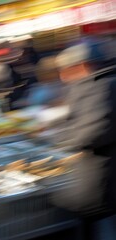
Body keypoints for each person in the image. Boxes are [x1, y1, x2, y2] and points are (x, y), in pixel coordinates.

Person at [51, 42, 116, 240]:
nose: (62, 76)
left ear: (82, 65)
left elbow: (95, 131)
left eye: (65, 70)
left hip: (103, 172)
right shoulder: (94, 84)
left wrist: (61, 139)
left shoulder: (104, 86)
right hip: (95, 172)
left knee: (100, 225)